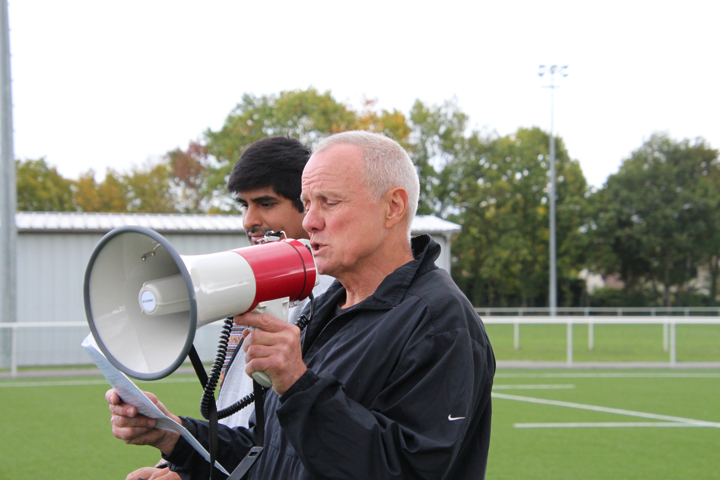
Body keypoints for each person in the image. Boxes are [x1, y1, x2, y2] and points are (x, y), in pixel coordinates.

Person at [109, 131, 495, 480]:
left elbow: (406, 470)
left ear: (393, 207)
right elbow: (274, 454)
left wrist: (298, 383)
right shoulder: (328, 307)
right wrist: (174, 435)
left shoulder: (438, 323)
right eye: (307, 204)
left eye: (328, 202)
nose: (310, 221)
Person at [123, 136, 334, 480]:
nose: (249, 220)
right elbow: (239, 427)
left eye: (265, 204)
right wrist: (179, 464)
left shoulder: (332, 299)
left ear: (307, 206)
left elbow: (297, 446)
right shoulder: (250, 287)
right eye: (244, 205)